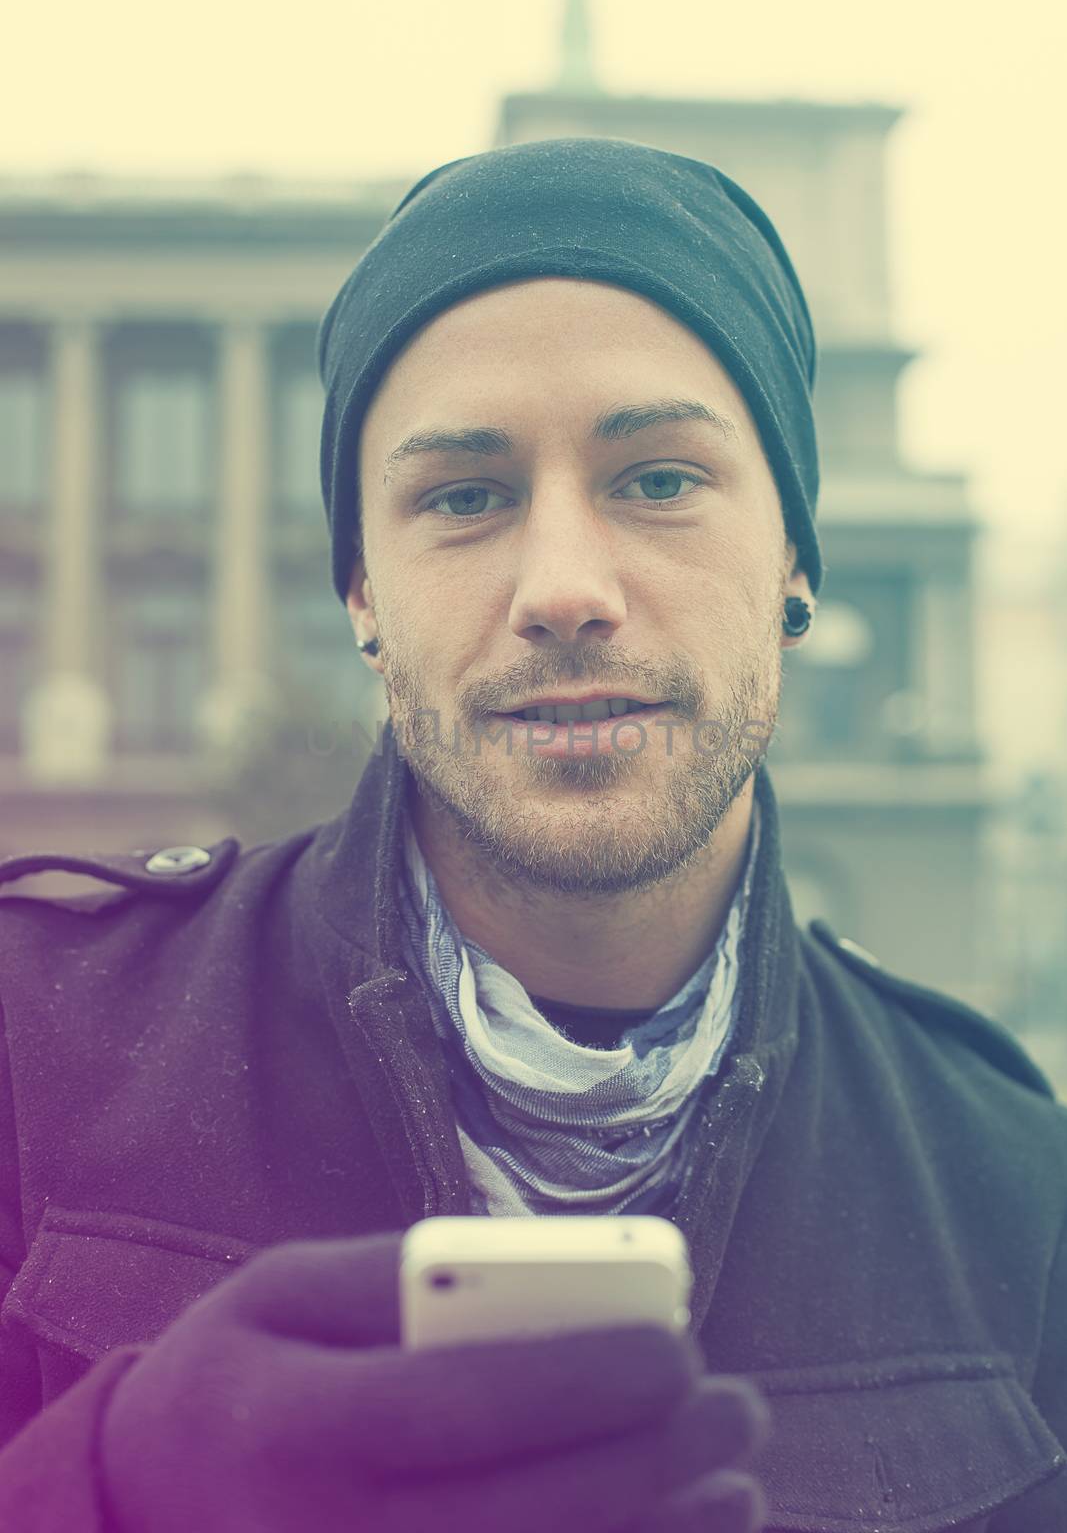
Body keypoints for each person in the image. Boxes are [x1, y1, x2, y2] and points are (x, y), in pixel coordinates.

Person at [1, 136, 1065, 1532]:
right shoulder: (39, 1043)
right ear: (364, 595)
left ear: (794, 559)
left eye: (661, 480)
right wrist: (92, 1492)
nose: (567, 590)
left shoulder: (1005, 1175)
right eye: (465, 496)